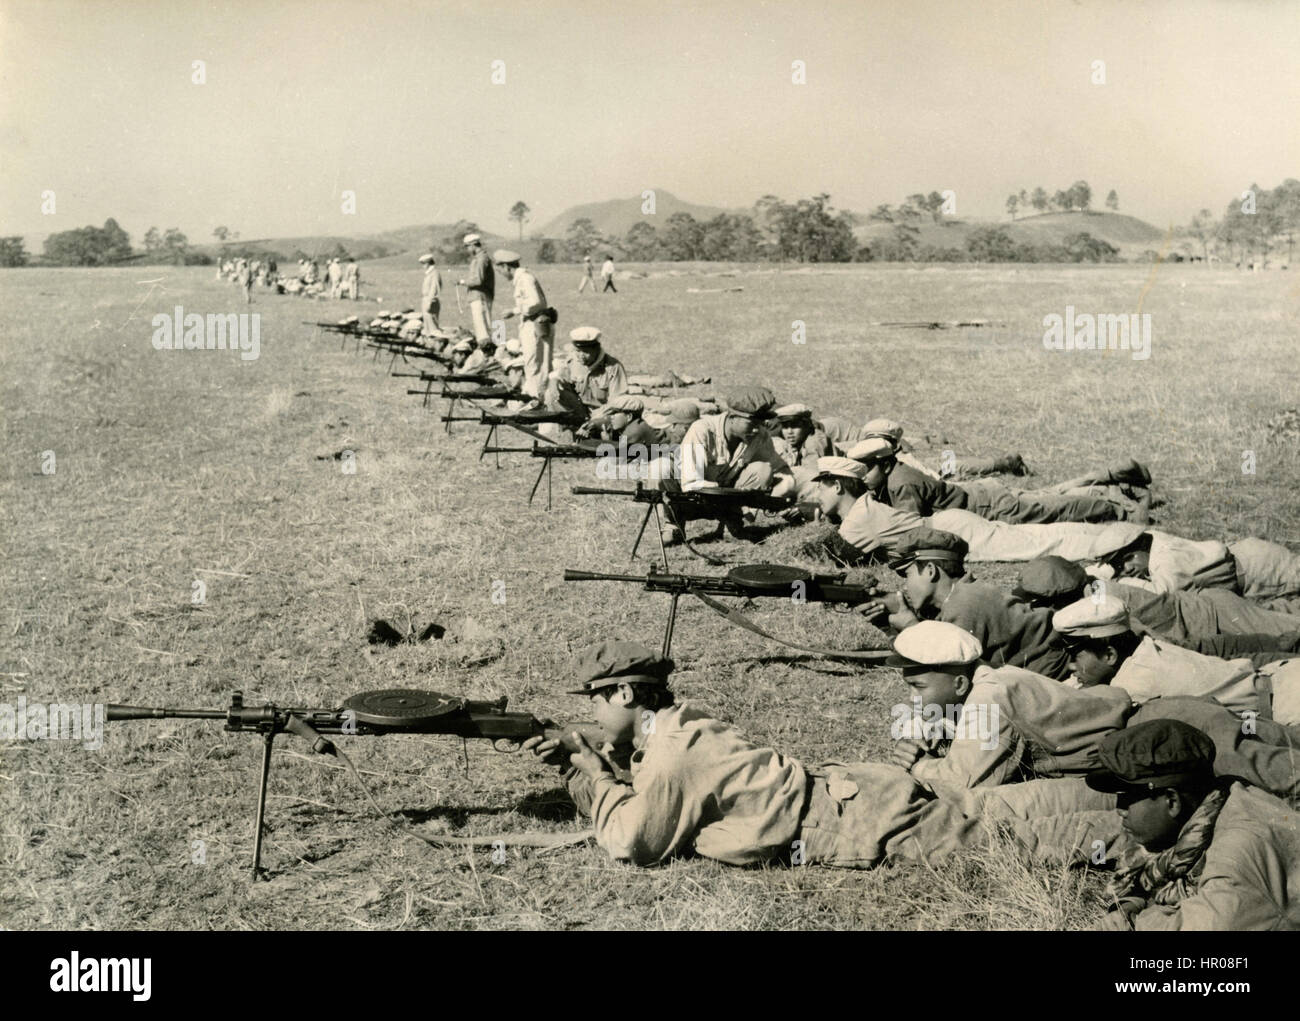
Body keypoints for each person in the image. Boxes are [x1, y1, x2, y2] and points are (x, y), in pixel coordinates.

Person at [522, 640, 1119, 869]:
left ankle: (1153, 827)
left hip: (851, 823)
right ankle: (1129, 797)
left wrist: (592, 776)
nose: (595, 715)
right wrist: (591, 744)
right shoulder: (682, 720)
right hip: (851, 791)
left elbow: (633, 840)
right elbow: (650, 757)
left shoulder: (673, 757)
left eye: (598, 702)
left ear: (625, 694)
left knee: (1012, 839)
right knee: (998, 808)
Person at [1087, 720, 1300, 930]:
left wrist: (1129, 921)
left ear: (1172, 801)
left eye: (1126, 799)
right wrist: (1135, 901)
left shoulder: (1237, 852)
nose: (1120, 810)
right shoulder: (1214, 801)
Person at [1051, 593, 1300, 724]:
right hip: (1280, 679)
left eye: (1075, 657)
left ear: (1109, 654)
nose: (1071, 667)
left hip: (1286, 705)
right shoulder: (1143, 647)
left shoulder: (1137, 685)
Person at [862, 528, 1072, 680]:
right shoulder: (963, 592)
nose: (905, 586)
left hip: (1054, 672)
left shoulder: (964, 603)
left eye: (907, 575)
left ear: (930, 570)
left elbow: (943, 675)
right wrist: (890, 626)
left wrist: (910, 627)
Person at [1014, 556, 1300, 661]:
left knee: (1290, 634)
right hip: (1210, 610)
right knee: (1283, 614)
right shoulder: (1094, 588)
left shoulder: (1106, 603)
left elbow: (1160, 646)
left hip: (1216, 618)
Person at [849, 437, 1140, 524]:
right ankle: (1111, 488)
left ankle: (1118, 509)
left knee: (1055, 509)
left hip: (989, 508)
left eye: (867, 469)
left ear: (885, 464)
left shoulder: (902, 484)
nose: (863, 476)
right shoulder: (897, 473)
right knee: (1048, 501)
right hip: (982, 496)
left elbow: (909, 529)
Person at [1094, 530, 1300, 615]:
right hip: (1249, 561)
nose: (1127, 571)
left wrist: (1121, 582)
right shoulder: (1153, 541)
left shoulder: (1166, 561)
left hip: (1261, 569)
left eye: (1123, 564)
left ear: (1135, 552)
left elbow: (1158, 595)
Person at [493, 249, 553, 400]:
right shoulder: (522, 278)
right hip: (533, 324)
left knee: (535, 366)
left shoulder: (524, 279)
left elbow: (535, 302)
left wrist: (514, 311)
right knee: (535, 365)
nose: (501, 273)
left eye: (500, 269)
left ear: (507, 266)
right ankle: (537, 398)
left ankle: (536, 401)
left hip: (535, 325)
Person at [546, 328, 628, 411]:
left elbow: (617, 402)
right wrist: (554, 382)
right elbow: (559, 377)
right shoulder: (572, 361)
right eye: (577, 351)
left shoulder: (613, 367)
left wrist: (598, 418)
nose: (580, 356)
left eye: (585, 352)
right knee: (549, 394)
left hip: (602, 413)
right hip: (579, 409)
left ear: (596, 349)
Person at [770, 404, 836, 504]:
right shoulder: (798, 440)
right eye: (785, 427)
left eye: (795, 426)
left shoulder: (814, 441)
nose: (789, 432)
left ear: (807, 425)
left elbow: (812, 479)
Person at [459, 234, 494, 342]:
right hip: (478, 296)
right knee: (482, 328)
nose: (467, 249)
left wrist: (462, 282)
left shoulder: (481, 259)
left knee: (483, 330)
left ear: (474, 245)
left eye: (467, 247)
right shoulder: (480, 258)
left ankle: (487, 353)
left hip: (480, 297)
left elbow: (478, 280)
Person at [417, 253, 442, 335]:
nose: (423, 266)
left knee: (432, 327)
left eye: (423, 264)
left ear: (428, 263)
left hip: (431, 301)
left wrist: (429, 302)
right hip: (426, 300)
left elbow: (434, 289)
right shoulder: (429, 273)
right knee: (427, 326)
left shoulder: (434, 273)